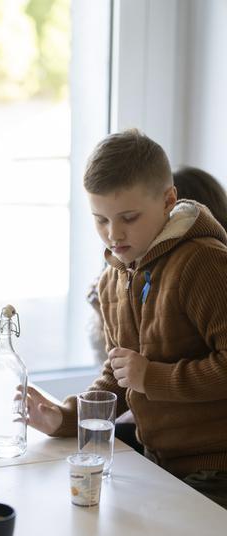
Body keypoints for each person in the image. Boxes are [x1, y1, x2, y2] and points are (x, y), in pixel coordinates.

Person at [28, 129, 227, 508]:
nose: (113, 234)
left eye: (128, 218)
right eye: (100, 220)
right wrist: (66, 418)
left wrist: (150, 377)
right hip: (163, 462)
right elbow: (121, 373)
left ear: (169, 199)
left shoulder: (205, 263)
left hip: (215, 469)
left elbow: (143, 374)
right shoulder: (115, 276)